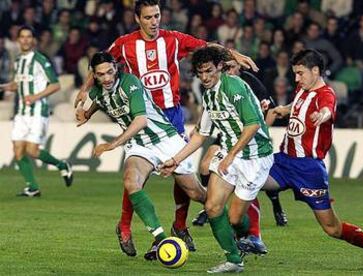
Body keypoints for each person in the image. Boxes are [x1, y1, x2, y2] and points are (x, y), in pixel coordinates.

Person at [73, 0, 258, 257]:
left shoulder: (173, 39)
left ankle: (181, 226)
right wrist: (84, 91)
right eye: (148, 17)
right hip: (140, 116)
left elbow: (206, 47)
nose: (154, 21)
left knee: (185, 182)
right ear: (137, 19)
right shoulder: (125, 44)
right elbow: (100, 66)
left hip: (170, 117)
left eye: (157, 16)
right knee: (135, 178)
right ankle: (126, 227)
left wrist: (232, 54)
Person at [263, 49, 363, 274]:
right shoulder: (303, 89)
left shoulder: (327, 94)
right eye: (295, 73)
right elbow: (298, 105)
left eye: (300, 73)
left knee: (332, 228)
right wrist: (283, 109)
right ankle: (249, 239)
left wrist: (321, 116)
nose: (296, 78)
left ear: (315, 71)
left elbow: (326, 110)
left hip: (308, 169)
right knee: (245, 180)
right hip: (282, 160)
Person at [75, 51, 206, 260]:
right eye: (101, 75)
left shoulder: (130, 83)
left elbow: (140, 121)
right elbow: (101, 100)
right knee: (131, 181)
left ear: (116, 68)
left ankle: (235, 225)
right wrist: (87, 113)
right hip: (139, 146)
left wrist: (112, 144)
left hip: (165, 139)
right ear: (95, 75)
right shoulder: (98, 91)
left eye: (110, 72)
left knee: (197, 194)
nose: (107, 78)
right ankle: (162, 239)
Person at [160, 46, 274, 273]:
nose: (205, 77)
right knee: (212, 207)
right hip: (230, 153)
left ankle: (249, 236)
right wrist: (175, 159)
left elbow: (252, 124)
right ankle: (234, 259)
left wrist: (230, 156)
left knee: (233, 218)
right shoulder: (209, 95)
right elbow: (201, 134)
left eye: (209, 71)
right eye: (200, 73)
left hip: (255, 156)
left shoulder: (235, 86)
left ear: (220, 67)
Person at [0, 26, 73, 197]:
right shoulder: (18, 61)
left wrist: (36, 96)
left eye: (29, 37)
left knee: (32, 151)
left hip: (38, 112)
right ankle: (32, 187)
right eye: (22, 37)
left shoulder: (41, 60)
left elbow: (56, 84)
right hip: (22, 113)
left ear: (33, 40)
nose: (25, 40)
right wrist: (3, 86)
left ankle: (62, 165)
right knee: (18, 150)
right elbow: (18, 84)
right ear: (18, 40)